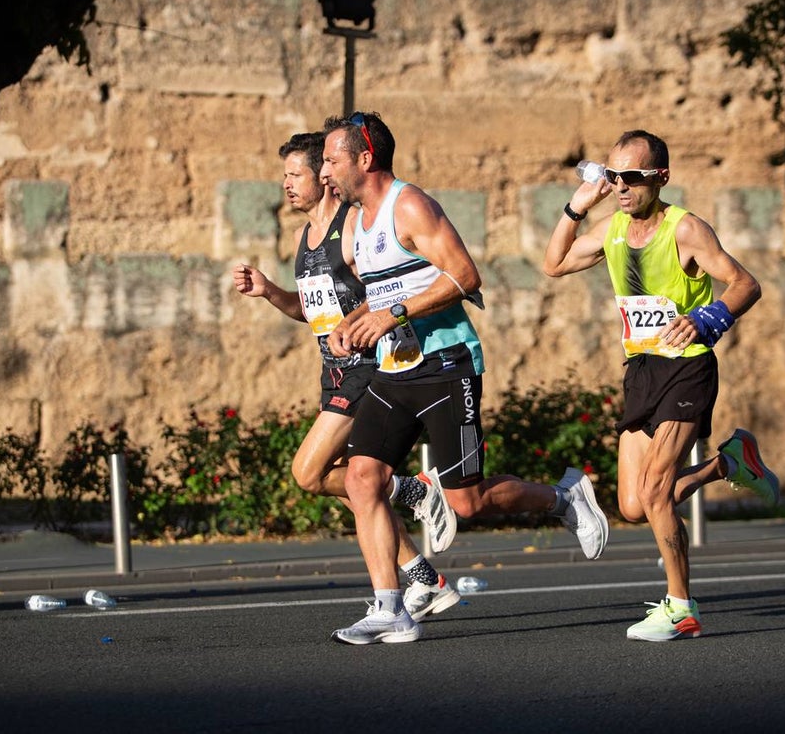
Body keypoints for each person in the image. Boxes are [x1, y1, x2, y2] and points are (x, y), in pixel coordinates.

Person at [321, 112, 609, 645]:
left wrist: (391, 316)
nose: (323, 172)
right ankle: (391, 608)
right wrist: (356, 321)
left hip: (448, 364)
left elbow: (464, 276)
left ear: (364, 158)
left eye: (330, 159)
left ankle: (562, 497)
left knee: (465, 502)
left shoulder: (410, 204)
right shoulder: (358, 223)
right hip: (396, 368)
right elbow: (389, 292)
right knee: (363, 479)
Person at [542, 129, 780, 641]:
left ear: (661, 178)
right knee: (634, 504)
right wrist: (578, 205)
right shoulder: (610, 230)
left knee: (654, 491)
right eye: (614, 177)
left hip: (687, 365)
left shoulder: (686, 228)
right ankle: (728, 463)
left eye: (633, 177)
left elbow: (746, 284)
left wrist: (708, 319)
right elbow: (554, 264)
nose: (622, 187)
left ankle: (681, 606)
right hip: (642, 370)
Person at [232, 131, 460, 621]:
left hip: (369, 371)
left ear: (324, 176)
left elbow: (389, 286)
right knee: (360, 486)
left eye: (295, 175)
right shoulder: (302, 238)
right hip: (332, 374)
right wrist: (270, 292)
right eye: (284, 176)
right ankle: (426, 577)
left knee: (308, 473)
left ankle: (414, 493)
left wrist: (383, 320)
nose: (286, 185)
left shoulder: (354, 225)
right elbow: (316, 314)